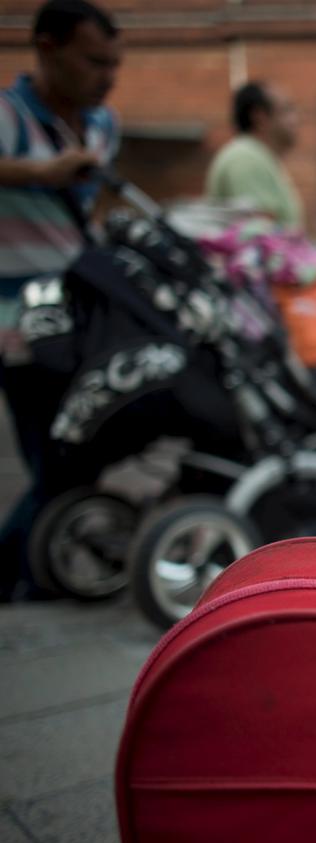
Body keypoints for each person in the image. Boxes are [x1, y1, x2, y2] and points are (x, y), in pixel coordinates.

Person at [0, 0, 121, 601]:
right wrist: (41, 174)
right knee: (56, 456)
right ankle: (23, 573)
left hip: (80, 317)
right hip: (15, 321)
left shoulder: (104, 125)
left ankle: (35, 567)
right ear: (46, 47)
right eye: (93, 61)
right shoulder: (6, 114)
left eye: (114, 64)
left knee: (79, 449)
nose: (106, 76)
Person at [205, 81, 302, 230]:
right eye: (286, 111)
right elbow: (259, 236)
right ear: (260, 117)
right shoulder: (245, 159)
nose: (296, 120)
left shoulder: (257, 156)